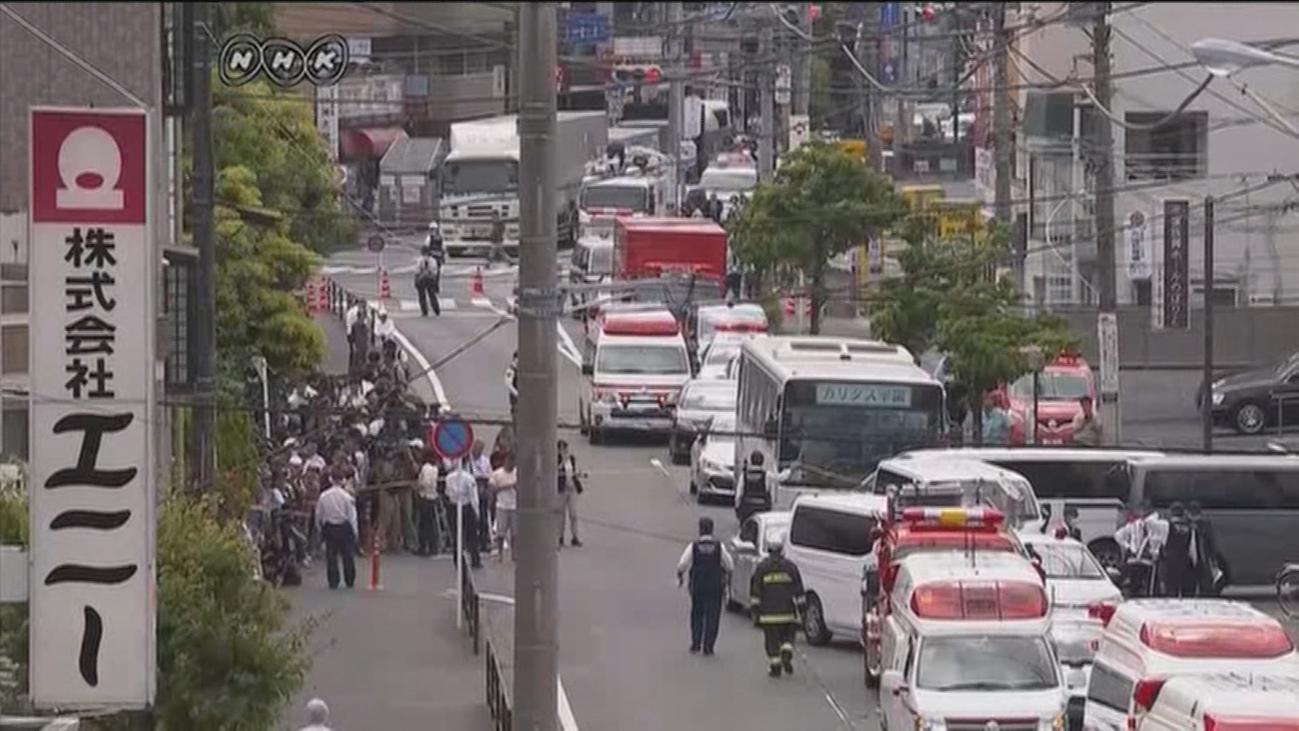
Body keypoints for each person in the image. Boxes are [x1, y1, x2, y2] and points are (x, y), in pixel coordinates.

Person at [749, 534, 805, 677]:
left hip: (768, 615)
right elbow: (799, 591)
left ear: (768, 549)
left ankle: (776, 667)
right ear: (782, 549)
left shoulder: (762, 568)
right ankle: (786, 652)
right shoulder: (791, 567)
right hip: (787, 613)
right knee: (788, 637)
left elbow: (756, 591)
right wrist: (802, 611)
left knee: (772, 642)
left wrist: (755, 610)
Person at [676, 516, 732, 657]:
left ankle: (695, 644)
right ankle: (708, 647)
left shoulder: (693, 546)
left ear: (700, 530)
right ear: (712, 530)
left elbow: (682, 564)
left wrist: (681, 576)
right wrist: (725, 577)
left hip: (698, 586)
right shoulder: (720, 547)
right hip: (715, 587)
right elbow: (730, 565)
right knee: (713, 616)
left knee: (697, 614)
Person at [315, 477, 358, 589]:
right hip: (344, 527)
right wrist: (355, 531)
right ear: (342, 481)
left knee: (331, 555)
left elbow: (318, 514)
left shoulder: (324, 496)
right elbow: (352, 516)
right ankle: (349, 579)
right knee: (347, 555)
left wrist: (321, 528)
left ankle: (333, 581)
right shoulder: (347, 497)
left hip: (330, 527)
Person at [446, 456, 483, 569]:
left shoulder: (449, 478)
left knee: (457, 535)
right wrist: (477, 512)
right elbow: (473, 497)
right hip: (467, 507)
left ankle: (458, 560)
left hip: (453, 507)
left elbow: (447, 493)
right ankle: (475, 560)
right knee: (472, 536)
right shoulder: (469, 478)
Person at [1160, 502, 1195, 597]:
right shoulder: (1189, 527)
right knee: (1183, 590)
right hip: (1184, 561)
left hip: (1169, 561)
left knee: (1171, 590)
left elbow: (1162, 543)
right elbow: (1192, 547)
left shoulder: (1166, 525)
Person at [490, 453, 519, 562]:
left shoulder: (517, 473)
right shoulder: (497, 474)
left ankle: (515, 555)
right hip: (502, 506)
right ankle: (499, 554)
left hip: (514, 506)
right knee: (500, 533)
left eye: (512, 462)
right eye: (509, 461)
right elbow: (493, 488)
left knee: (515, 533)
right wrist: (510, 485)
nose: (511, 464)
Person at [1187, 501, 1220, 596]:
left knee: (1203, 581)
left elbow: (1210, 540)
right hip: (1193, 557)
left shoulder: (1204, 524)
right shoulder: (1186, 524)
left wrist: (1213, 556)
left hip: (1201, 556)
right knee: (1193, 582)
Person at [557, 439, 584, 547]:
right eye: (562, 449)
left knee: (573, 514)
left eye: (566, 448)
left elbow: (572, 472)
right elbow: (556, 470)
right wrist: (562, 461)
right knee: (561, 515)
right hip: (562, 489)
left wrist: (578, 474)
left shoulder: (572, 459)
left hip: (571, 488)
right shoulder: (556, 459)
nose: (565, 451)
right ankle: (560, 537)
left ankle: (575, 536)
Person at [469, 440, 494, 552]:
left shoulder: (485, 461)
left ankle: (484, 542)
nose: (477, 452)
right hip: (472, 488)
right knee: (472, 518)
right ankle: (472, 542)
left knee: (483, 517)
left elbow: (490, 474)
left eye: (479, 450)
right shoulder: (468, 460)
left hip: (483, 489)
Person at [415, 449, 441, 556]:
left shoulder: (425, 468)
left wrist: (418, 487)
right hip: (432, 496)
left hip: (425, 496)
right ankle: (433, 546)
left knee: (424, 524)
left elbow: (425, 482)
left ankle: (423, 547)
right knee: (431, 524)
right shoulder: (435, 468)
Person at [735, 451, 772, 524]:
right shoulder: (767, 475)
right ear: (762, 461)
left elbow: (739, 493)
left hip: (747, 506)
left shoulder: (744, 475)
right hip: (762, 507)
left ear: (751, 461)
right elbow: (769, 491)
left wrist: (737, 506)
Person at [415, 245, 442, 317]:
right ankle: (436, 310)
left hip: (422, 279)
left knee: (422, 296)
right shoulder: (433, 260)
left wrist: (417, 279)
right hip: (430, 279)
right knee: (432, 295)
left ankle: (424, 311)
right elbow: (435, 272)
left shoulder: (420, 260)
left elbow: (417, 271)